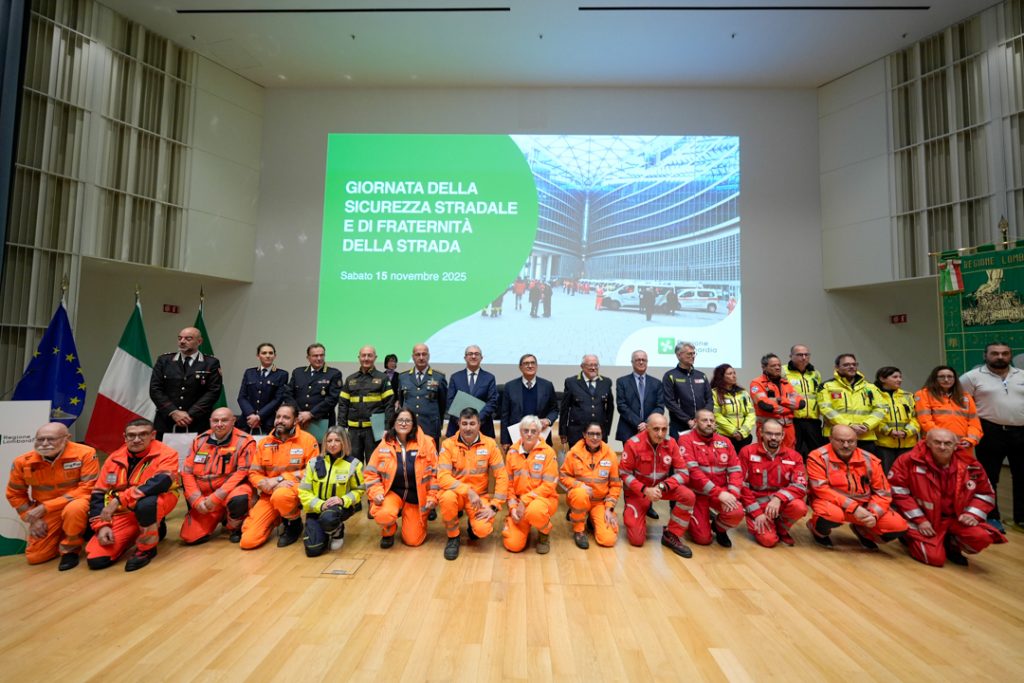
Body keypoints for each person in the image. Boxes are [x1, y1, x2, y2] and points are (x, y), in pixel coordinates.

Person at [888, 428, 1006, 567]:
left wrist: (972, 514)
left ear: (956, 445)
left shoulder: (971, 465)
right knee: (933, 558)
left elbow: (985, 493)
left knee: (981, 537)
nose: (942, 447)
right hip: (926, 519)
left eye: (948, 443)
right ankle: (908, 537)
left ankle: (951, 544)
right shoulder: (908, 461)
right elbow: (898, 492)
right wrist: (920, 520)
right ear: (927, 443)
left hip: (956, 519)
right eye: (937, 442)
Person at [85, 419, 179, 571]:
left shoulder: (167, 453)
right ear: (125, 437)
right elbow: (98, 494)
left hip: (157, 501)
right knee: (97, 560)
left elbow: (161, 482)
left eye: (143, 434)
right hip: (123, 512)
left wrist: (119, 499)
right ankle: (153, 527)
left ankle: (147, 549)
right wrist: (101, 526)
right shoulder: (114, 458)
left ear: (153, 435)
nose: (136, 439)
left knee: (147, 504)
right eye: (131, 435)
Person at [5, 423, 97, 570]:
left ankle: (70, 549)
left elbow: (88, 488)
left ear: (67, 438)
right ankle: (73, 531)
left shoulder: (85, 453)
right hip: (47, 511)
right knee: (35, 557)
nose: (44, 443)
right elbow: (15, 494)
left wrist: (46, 507)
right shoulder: (23, 462)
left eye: (51, 439)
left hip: (75, 503)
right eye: (40, 439)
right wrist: (31, 518)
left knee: (74, 509)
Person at [805, 425, 907, 550]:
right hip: (832, 503)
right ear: (830, 438)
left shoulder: (871, 460)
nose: (846, 445)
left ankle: (862, 530)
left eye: (851, 441)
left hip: (864, 507)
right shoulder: (818, 457)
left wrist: (874, 514)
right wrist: (853, 508)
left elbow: (883, 493)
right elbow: (821, 490)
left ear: (857, 441)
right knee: (830, 515)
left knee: (898, 526)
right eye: (841, 441)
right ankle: (817, 531)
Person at [960, 342, 1024, 531]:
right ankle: (991, 516)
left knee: (1022, 476)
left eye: (1005, 353)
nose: (1000, 357)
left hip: (1021, 432)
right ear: (985, 355)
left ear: (1010, 355)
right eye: (995, 353)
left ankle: (1021, 518)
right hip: (990, 431)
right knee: (989, 476)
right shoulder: (971, 377)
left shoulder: (1021, 375)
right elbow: (962, 406)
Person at [239, 403, 319, 550]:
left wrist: (280, 479)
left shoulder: (308, 440)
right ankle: (276, 517)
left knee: (281, 495)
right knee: (248, 541)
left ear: (295, 421)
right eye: (278, 417)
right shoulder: (264, 443)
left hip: (294, 489)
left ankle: (294, 524)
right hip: (268, 492)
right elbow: (254, 473)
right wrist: (266, 484)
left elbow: (312, 471)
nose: (280, 420)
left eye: (286, 417)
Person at [619, 413, 696, 558]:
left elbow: (683, 473)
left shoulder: (671, 443)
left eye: (664, 429)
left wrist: (662, 487)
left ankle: (671, 534)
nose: (660, 434)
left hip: (662, 488)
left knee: (688, 496)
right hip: (639, 491)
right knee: (636, 540)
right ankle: (631, 511)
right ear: (647, 428)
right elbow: (624, 473)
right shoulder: (633, 443)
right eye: (656, 429)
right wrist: (644, 490)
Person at [437, 408, 509, 560]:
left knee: (482, 530)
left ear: (479, 424)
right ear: (458, 424)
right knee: (447, 497)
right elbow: (442, 477)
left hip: (479, 497)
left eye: (472, 423)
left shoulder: (490, 444)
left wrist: (495, 505)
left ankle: (473, 524)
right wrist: (468, 491)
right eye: (464, 423)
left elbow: (502, 476)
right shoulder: (448, 444)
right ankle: (453, 536)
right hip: (456, 494)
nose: (468, 428)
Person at [179, 407, 256, 545]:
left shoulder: (245, 441)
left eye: (224, 420)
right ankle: (219, 515)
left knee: (240, 498)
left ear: (233, 421)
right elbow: (187, 472)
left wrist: (215, 498)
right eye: (215, 421)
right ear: (210, 421)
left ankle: (234, 527)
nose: (219, 424)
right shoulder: (199, 440)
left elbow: (242, 472)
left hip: (229, 491)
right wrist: (197, 501)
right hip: (204, 496)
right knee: (189, 537)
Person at [365, 409, 438, 549]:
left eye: (407, 420)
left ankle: (412, 519)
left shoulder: (427, 443)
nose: (403, 423)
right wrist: (376, 493)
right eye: (400, 420)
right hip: (393, 493)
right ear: (393, 423)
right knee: (383, 514)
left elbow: (436, 474)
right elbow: (370, 473)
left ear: (414, 424)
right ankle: (388, 530)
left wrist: (432, 496)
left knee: (413, 541)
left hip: (416, 496)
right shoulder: (385, 444)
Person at [678, 409, 745, 547]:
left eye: (712, 421)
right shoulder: (685, 440)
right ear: (695, 422)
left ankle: (719, 528)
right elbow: (693, 473)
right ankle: (694, 520)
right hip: (697, 495)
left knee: (736, 512)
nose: (709, 423)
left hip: (720, 492)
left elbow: (735, 470)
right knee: (703, 539)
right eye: (704, 420)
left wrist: (732, 495)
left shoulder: (725, 441)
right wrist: (719, 493)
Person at [738, 419, 808, 547]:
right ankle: (763, 524)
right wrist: (757, 514)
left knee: (799, 507)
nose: (773, 438)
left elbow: (800, 486)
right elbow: (740, 485)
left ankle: (781, 529)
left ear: (783, 435)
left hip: (780, 503)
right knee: (769, 541)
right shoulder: (747, 452)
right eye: (769, 433)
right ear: (761, 433)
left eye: (777, 434)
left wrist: (778, 498)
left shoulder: (794, 456)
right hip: (757, 505)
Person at [297, 426, 364, 556]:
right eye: (329, 441)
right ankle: (325, 532)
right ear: (325, 443)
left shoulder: (354, 464)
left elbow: (359, 490)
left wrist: (343, 500)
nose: (333, 444)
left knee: (328, 518)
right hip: (316, 509)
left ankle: (336, 531)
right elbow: (304, 491)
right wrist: (320, 505)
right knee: (313, 549)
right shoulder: (313, 463)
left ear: (344, 442)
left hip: (338, 508)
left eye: (337, 440)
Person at [149, 326, 223, 436]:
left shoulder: (210, 363)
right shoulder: (164, 361)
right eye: (180, 338)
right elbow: (155, 389)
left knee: (197, 447)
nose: (182, 341)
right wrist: (173, 412)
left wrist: (190, 414)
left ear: (199, 341)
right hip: (167, 420)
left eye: (188, 339)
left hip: (197, 421)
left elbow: (213, 391)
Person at [502, 415, 559, 554]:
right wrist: (513, 508)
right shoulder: (511, 452)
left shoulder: (548, 453)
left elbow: (549, 486)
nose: (529, 434)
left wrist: (525, 501)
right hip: (518, 503)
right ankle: (517, 523)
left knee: (534, 511)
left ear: (539, 433)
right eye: (525, 430)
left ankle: (544, 532)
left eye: (533, 431)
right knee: (513, 545)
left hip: (543, 500)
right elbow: (508, 485)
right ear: (520, 432)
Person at [560, 422, 621, 549]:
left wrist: (609, 508)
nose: (595, 437)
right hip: (579, 498)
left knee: (608, 540)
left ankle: (592, 520)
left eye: (598, 434)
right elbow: (563, 476)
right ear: (584, 435)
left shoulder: (610, 455)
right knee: (580, 493)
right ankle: (579, 530)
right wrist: (578, 485)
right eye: (591, 434)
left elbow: (615, 485)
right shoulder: (573, 453)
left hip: (600, 503)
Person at [817, 353, 884, 454]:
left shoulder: (870, 387)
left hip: (865, 436)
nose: (851, 367)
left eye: (854, 364)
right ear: (837, 368)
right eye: (846, 365)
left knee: (866, 464)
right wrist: (849, 425)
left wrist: (867, 425)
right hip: (837, 437)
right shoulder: (826, 386)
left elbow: (880, 409)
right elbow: (826, 410)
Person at [338, 345, 395, 462]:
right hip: (353, 430)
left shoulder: (383, 378)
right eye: (363, 355)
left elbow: (389, 405)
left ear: (375, 357)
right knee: (353, 463)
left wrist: (387, 428)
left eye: (370, 355)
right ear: (359, 357)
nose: (366, 358)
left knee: (374, 463)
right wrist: (341, 427)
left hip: (375, 430)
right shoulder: (350, 379)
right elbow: (343, 405)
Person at [915, 365, 983, 461]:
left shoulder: (965, 397)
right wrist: (944, 440)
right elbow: (925, 421)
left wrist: (970, 440)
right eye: (942, 377)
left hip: (962, 447)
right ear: (934, 378)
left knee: (962, 471)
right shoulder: (923, 394)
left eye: (950, 376)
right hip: (937, 446)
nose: (946, 380)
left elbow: (975, 423)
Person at [500, 354, 558, 449]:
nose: (530, 366)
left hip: (541, 436)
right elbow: (505, 415)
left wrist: (548, 420)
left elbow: (554, 410)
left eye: (532, 363)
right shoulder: (510, 386)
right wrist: (505, 440)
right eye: (526, 363)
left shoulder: (547, 385)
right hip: (516, 438)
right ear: (520, 367)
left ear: (536, 366)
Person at [749, 353, 805, 450]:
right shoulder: (757, 383)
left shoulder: (786, 383)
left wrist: (779, 400)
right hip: (768, 429)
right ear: (764, 367)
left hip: (788, 429)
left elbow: (801, 404)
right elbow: (765, 405)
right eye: (773, 366)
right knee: (767, 454)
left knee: (789, 455)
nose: (778, 368)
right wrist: (789, 406)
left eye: (779, 365)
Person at [396, 343, 448, 447]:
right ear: (413, 357)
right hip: (409, 427)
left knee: (431, 456)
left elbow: (443, 404)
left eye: (424, 354)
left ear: (428, 356)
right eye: (418, 354)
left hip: (430, 427)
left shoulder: (439, 377)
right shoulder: (403, 377)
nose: (421, 357)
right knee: (408, 455)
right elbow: (402, 401)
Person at [559, 354, 614, 448]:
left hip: (598, 433)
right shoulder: (571, 382)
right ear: (582, 366)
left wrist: (606, 431)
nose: (593, 368)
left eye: (596, 365)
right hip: (577, 433)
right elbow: (564, 409)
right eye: (590, 365)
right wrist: (563, 432)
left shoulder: (606, 382)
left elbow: (610, 409)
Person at [445, 345, 499, 439]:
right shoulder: (455, 377)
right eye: (470, 354)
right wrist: (463, 421)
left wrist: (476, 420)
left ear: (481, 358)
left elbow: (492, 402)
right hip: (457, 427)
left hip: (483, 427)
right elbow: (450, 402)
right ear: (465, 357)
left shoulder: (489, 378)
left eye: (476, 354)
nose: (473, 356)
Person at [874, 366, 921, 471]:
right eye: (895, 377)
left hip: (908, 444)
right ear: (882, 379)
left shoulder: (907, 396)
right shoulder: (874, 395)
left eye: (900, 377)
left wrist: (906, 432)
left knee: (907, 474)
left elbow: (915, 418)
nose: (899, 380)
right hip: (884, 445)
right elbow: (873, 418)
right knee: (886, 474)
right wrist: (889, 431)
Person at [237, 342, 289, 435]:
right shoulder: (249, 373)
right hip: (247, 421)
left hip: (268, 422)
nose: (268, 356)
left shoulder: (282, 374)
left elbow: (278, 399)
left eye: (270, 353)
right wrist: (251, 415)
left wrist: (259, 416)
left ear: (275, 356)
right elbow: (242, 397)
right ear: (258, 356)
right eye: (264, 353)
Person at [287, 343, 343, 430]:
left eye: (321, 355)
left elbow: (333, 398)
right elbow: (288, 394)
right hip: (299, 419)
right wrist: (298, 413)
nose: (319, 358)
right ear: (308, 358)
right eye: (315, 356)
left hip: (322, 421)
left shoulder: (334, 373)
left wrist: (311, 414)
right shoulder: (298, 372)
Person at [662, 341, 713, 438]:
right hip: (680, 425)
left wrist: (703, 418)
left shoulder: (701, 375)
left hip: (702, 425)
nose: (693, 356)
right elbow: (669, 402)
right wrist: (688, 420)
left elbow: (709, 399)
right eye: (689, 354)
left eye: (694, 353)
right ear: (679, 355)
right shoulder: (670, 375)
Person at [615, 350, 665, 444]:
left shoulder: (657, 383)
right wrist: (639, 423)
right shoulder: (622, 382)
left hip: (651, 430)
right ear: (632, 362)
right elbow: (622, 406)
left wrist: (647, 423)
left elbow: (660, 407)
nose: (641, 362)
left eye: (643, 360)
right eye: (638, 360)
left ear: (647, 362)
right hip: (628, 429)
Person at [786, 344, 825, 457]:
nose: (804, 358)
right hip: (793, 419)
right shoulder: (783, 372)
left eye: (806, 355)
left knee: (816, 453)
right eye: (799, 355)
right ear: (791, 356)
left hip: (812, 420)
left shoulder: (815, 373)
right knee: (792, 453)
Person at [710, 363, 755, 452]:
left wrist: (742, 432)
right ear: (721, 377)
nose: (734, 376)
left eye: (734, 373)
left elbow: (751, 414)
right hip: (724, 436)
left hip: (743, 437)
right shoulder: (714, 393)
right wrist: (733, 431)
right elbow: (716, 415)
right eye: (730, 374)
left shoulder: (743, 393)